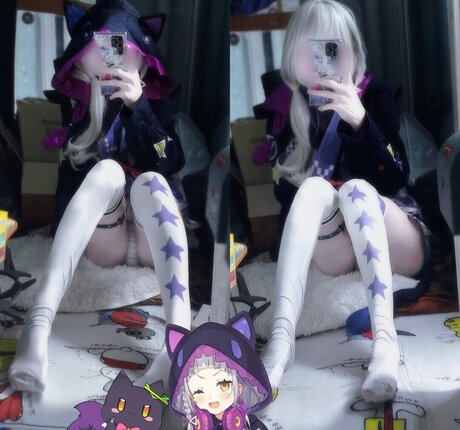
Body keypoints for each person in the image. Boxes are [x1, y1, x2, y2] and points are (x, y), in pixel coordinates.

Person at [8, 0, 191, 393]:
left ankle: (179, 338)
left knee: (153, 182)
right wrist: (100, 104)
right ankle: (38, 326)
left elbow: (169, 158)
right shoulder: (76, 102)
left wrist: (139, 107)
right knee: (107, 170)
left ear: (142, 56)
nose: (113, 56)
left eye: (122, 46)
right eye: (103, 46)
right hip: (104, 235)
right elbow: (76, 175)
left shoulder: (157, 99)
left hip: (154, 236)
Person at [260, 0, 431, 403]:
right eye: (313, 49)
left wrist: (359, 123)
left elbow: (397, 176)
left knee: (356, 189)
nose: (323, 60)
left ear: (353, 52)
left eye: (333, 48)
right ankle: (280, 344)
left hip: (390, 230)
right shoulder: (285, 107)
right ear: (293, 57)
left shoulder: (375, 96)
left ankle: (385, 345)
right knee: (312, 190)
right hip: (336, 244)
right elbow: (285, 197)